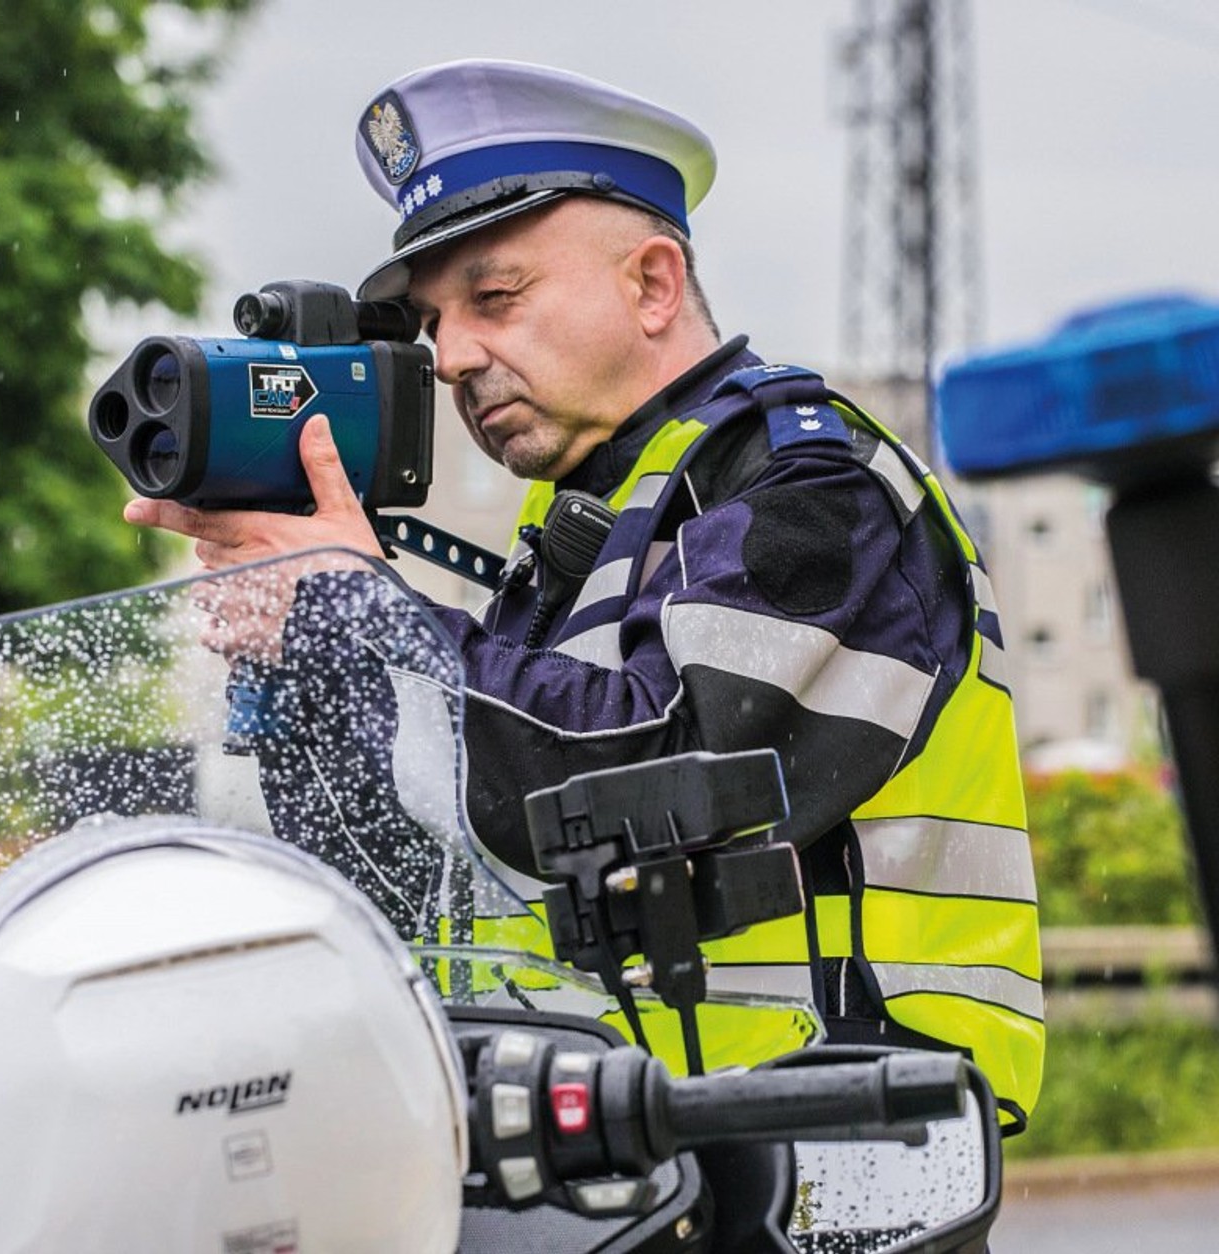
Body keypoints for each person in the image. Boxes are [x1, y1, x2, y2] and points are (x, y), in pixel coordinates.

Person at [124, 60, 1043, 1131]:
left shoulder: (815, 490)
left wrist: (350, 607)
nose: (453, 355)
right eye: (431, 323)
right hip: (617, 1154)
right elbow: (429, 864)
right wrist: (303, 657)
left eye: (494, 298)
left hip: (836, 1149)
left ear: (650, 283)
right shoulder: (569, 538)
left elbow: (656, 779)